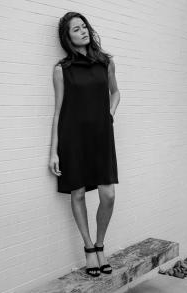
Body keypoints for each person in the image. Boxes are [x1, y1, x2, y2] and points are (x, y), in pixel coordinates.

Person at [49, 12, 120, 277]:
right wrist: (54, 151)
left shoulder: (106, 62)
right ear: (67, 38)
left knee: (108, 194)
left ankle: (101, 243)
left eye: (84, 26)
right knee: (77, 193)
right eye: (75, 29)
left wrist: (110, 114)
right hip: (73, 137)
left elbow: (116, 92)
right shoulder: (61, 70)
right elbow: (58, 112)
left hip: (101, 136)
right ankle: (90, 248)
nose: (82, 31)